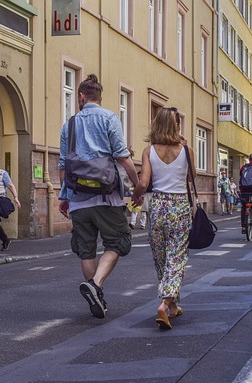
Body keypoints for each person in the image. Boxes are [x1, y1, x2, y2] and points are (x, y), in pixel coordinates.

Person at [58, 74, 139, 320]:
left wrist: (65, 196)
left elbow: (63, 165)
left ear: (81, 97)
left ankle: (95, 293)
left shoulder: (69, 125)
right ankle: (96, 285)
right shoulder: (109, 118)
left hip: (78, 199)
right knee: (118, 242)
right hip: (108, 198)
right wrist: (137, 185)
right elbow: (123, 157)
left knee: (86, 250)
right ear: (99, 97)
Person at [132, 107, 195, 330]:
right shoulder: (187, 150)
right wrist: (184, 150)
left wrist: (135, 196)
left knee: (161, 259)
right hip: (179, 207)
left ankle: (172, 307)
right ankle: (165, 302)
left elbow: (143, 182)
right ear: (176, 126)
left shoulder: (148, 151)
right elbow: (191, 177)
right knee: (176, 260)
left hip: (157, 207)